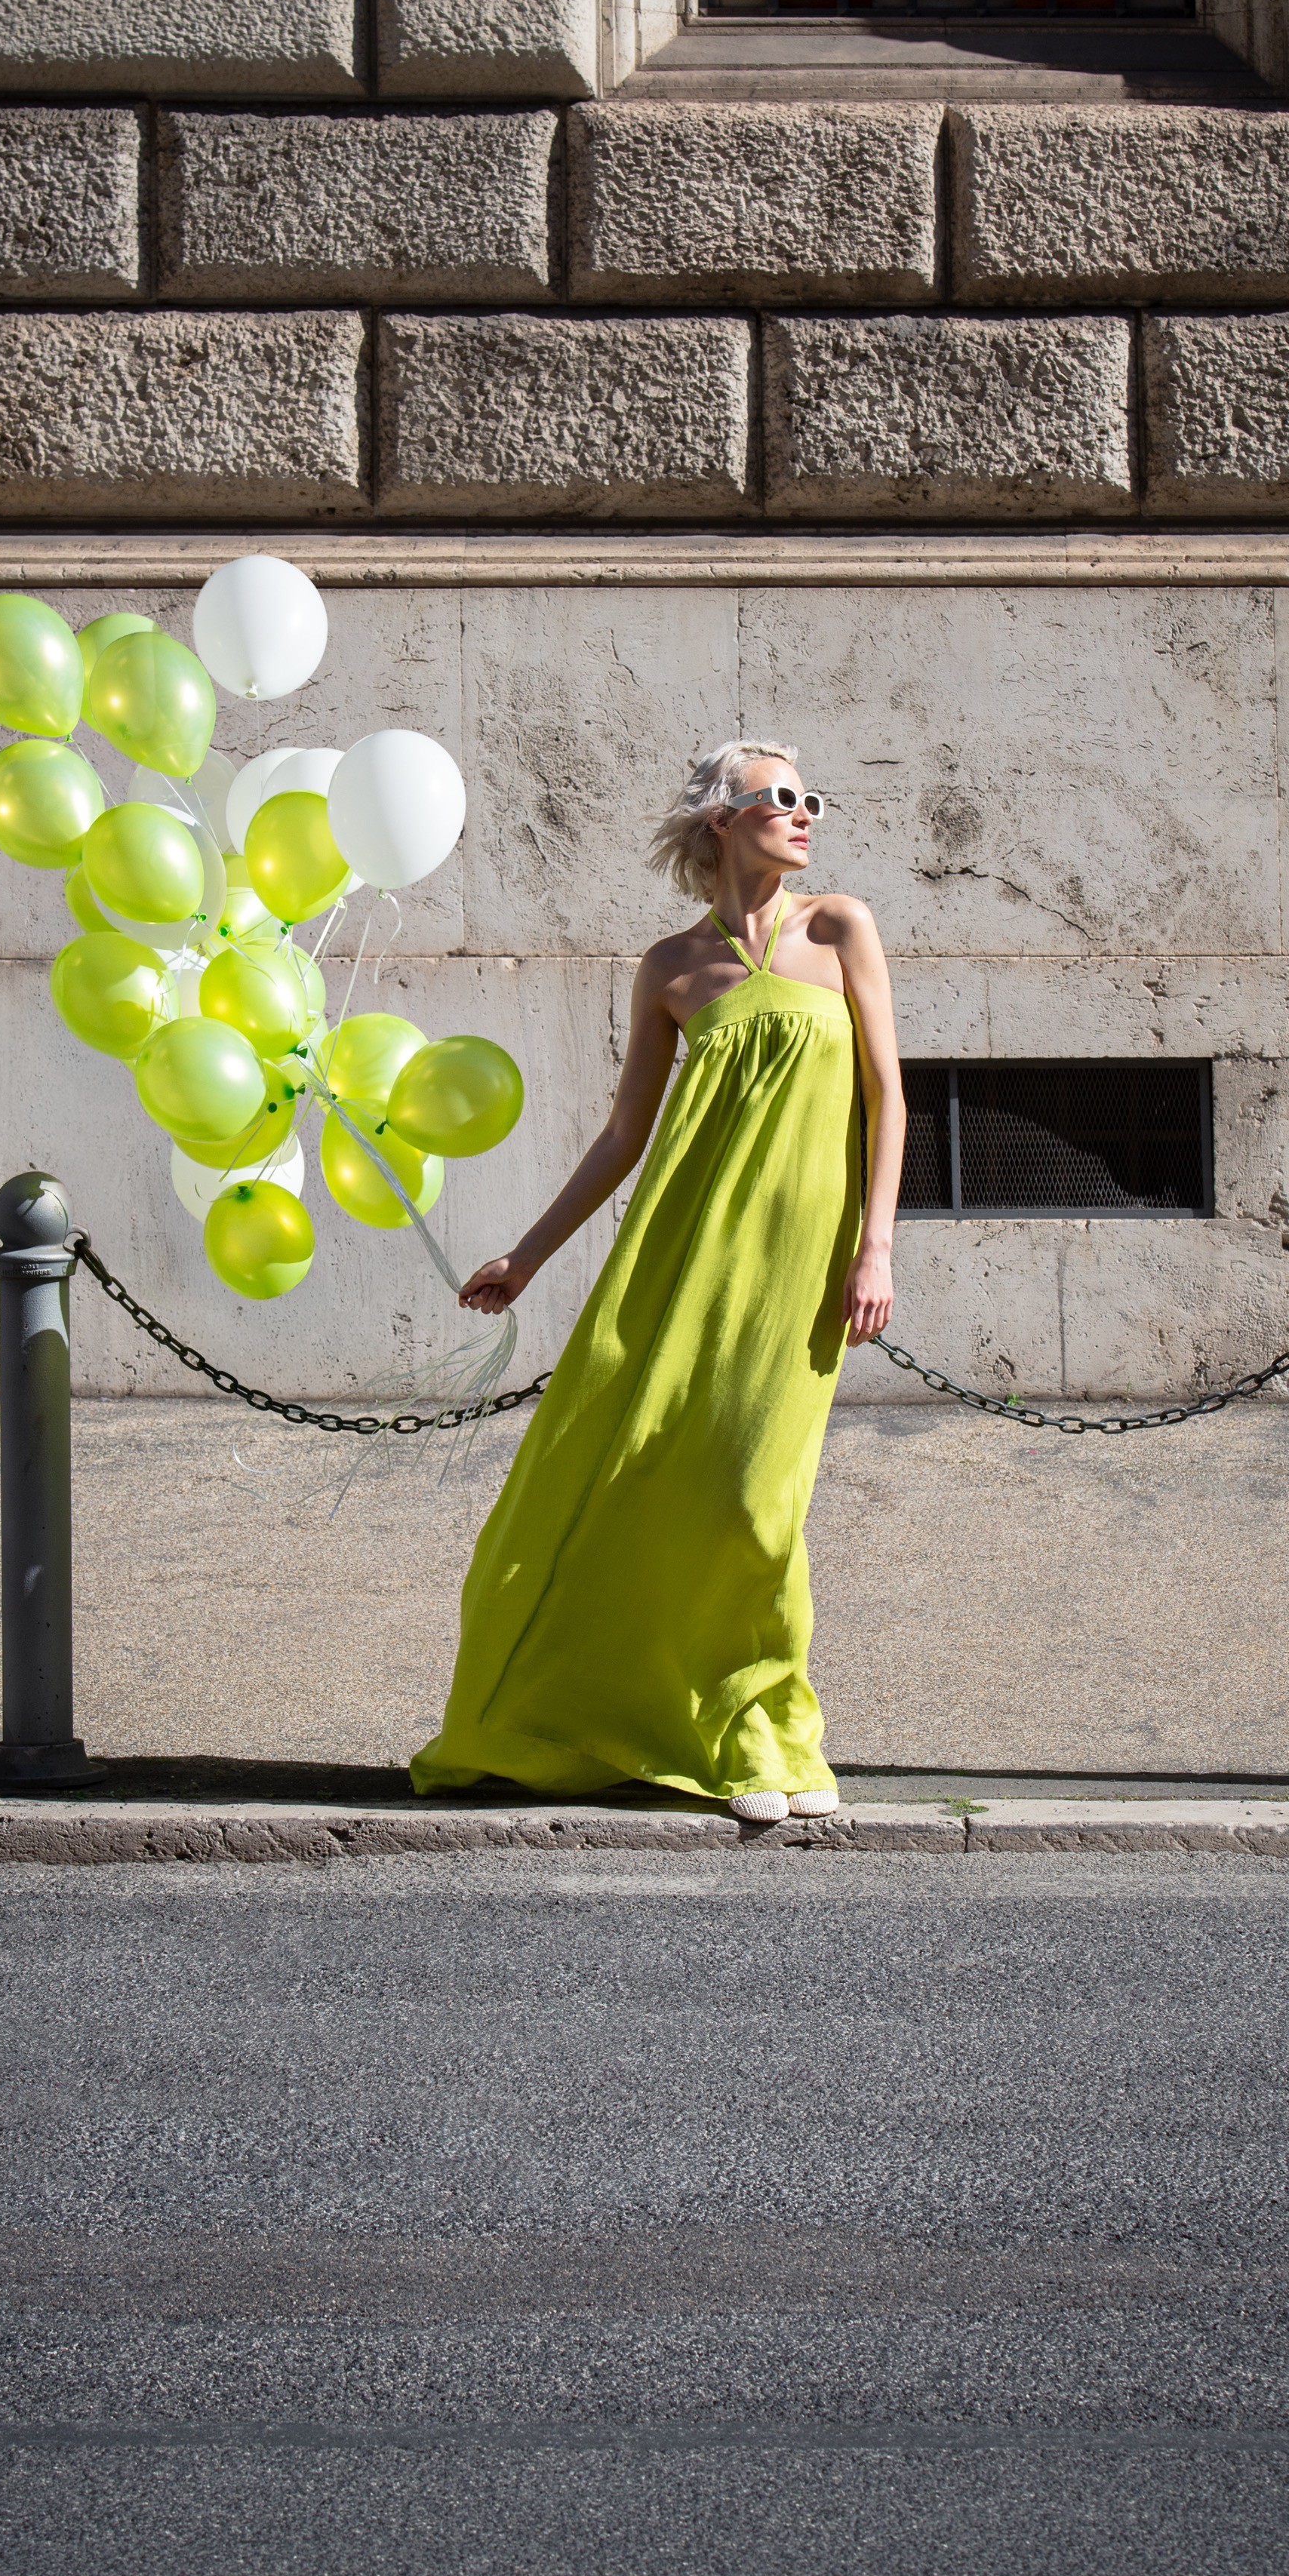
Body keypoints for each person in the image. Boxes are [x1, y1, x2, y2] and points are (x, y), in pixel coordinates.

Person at [410, 743, 906, 1825]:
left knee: (755, 1499)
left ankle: (764, 1736)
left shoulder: (840, 927)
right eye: (784, 797)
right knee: (625, 1478)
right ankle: (620, 1722)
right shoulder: (672, 968)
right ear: (724, 817)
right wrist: (528, 1255)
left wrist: (876, 1248)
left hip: (801, 1262)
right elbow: (625, 1135)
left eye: (813, 798)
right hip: (682, 1250)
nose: (806, 813)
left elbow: (889, 1096)